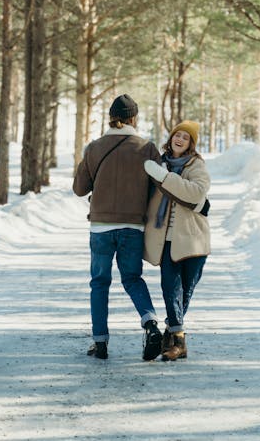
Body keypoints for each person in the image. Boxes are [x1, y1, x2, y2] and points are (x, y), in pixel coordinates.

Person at [73, 94, 163, 361]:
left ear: (111, 118)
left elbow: (79, 189)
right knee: (132, 279)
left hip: (100, 227)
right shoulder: (146, 148)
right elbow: (161, 184)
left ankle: (100, 343)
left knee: (99, 283)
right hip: (132, 226)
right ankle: (150, 323)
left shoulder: (94, 147)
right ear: (134, 118)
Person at [143, 120, 210, 361]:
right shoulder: (157, 165)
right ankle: (179, 339)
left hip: (193, 239)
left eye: (185, 137)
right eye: (176, 135)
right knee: (170, 290)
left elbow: (196, 192)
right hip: (166, 240)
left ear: (191, 144)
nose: (179, 139)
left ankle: (170, 336)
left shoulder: (196, 165)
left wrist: (166, 178)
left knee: (185, 292)